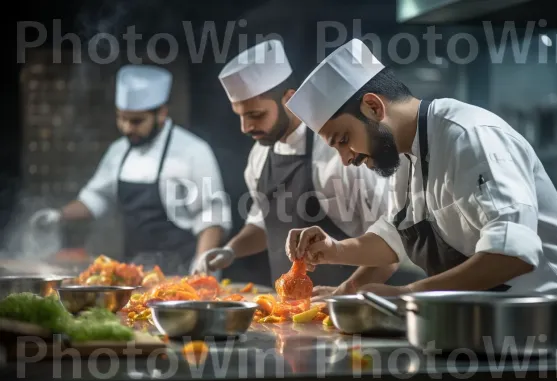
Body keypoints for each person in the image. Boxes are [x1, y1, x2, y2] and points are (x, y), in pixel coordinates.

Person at [284, 39, 557, 358]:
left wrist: (408, 295)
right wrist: (334, 251)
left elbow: (512, 253)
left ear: (374, 107)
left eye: (343, 140)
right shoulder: (406, 154)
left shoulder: (469, 137)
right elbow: (394, 239)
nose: (345, 158)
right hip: (491, 333)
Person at [192, 39, 426, 291]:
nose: (246, 128)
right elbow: (263, 223)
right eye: (240, 116)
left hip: (345, 306)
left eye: (256, 115)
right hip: (287, 309)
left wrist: (343, 296)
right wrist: (230, 251)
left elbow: (390, 244)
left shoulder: (348, 154)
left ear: (288, 99)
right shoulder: (260, 154)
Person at [29, 64, 231, 275]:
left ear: (161, 113)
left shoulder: (194, 151)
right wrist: (59, 215)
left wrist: (200, 268)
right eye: (121, 118)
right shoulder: (119, 151)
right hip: (135, 274)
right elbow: (96, 198)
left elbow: (212, 215)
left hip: (182, 274)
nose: (127, 128)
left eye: (136, 121)